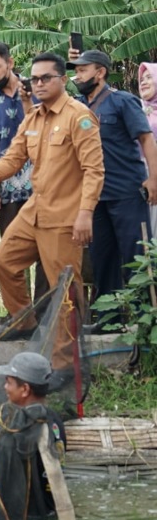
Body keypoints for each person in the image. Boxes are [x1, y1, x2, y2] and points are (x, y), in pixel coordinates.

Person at [0, 53, 104, 346]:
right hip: (34, 210)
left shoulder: (79, 116)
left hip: (64, 216)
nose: (38, 84)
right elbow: (12, 160)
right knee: (4, 261)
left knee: (63, 290)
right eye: (34, 78)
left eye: (45, 78)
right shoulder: (33, 118)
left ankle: (65, 360)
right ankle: (24, 321)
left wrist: (86, 213)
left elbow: (94, 170)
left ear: (63, 80)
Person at [67, 48, 157, 330]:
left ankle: (146, 320)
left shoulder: (122, 102)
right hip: (95, 198)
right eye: (76, 70)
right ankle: (109, 321)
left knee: (136, 256)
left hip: (127, 192)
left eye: (83, 70)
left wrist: (154, 178)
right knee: (102, 258)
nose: (77, 76)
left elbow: (145, 139)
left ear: (100, 72)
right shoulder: (77, 107)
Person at [0, 43, 48, 310]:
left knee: (46, 252)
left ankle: (45, 311)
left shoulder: (38, 91)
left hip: (45, 186)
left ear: (10, 62)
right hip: (8, 190)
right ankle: (19, 314)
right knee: (12, 252)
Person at [0, 352, 67, 508]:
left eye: (9, 382)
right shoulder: (53, 419)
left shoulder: (20, 426)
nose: (5, 388)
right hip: (50, 503)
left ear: (25, 389)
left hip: (27, 511)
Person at [141, 62, 157, 233]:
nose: (143, 82)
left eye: (149, 77)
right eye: (142, 79)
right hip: (144, 175)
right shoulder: (137, 108)